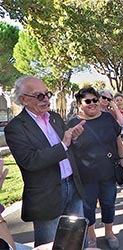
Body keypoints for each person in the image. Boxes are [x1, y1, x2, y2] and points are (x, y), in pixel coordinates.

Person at [4, 76, 86, 247]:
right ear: (24, 99)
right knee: (50, 245)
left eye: (47, 94)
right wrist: (64, 144)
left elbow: (67, 148)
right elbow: (30, 161)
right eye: (39, 96)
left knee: (76, 241)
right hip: (46, 195)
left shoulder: (55, 117)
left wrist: (73, 139)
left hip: (72, 186)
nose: (46, 99)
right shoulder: (15, 128)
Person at [67, 87, 123, 250]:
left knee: (109, 203)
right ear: (80, 104)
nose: (93, 104)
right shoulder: (72, 124)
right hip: (86, 175)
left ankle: (109, 233)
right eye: (88, 101)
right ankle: (92, 237)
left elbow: (117, 140)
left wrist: (122, 160)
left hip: (108, 172)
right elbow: (67, 149)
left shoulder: (108, 118)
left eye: (95, 100)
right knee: (88, 207)